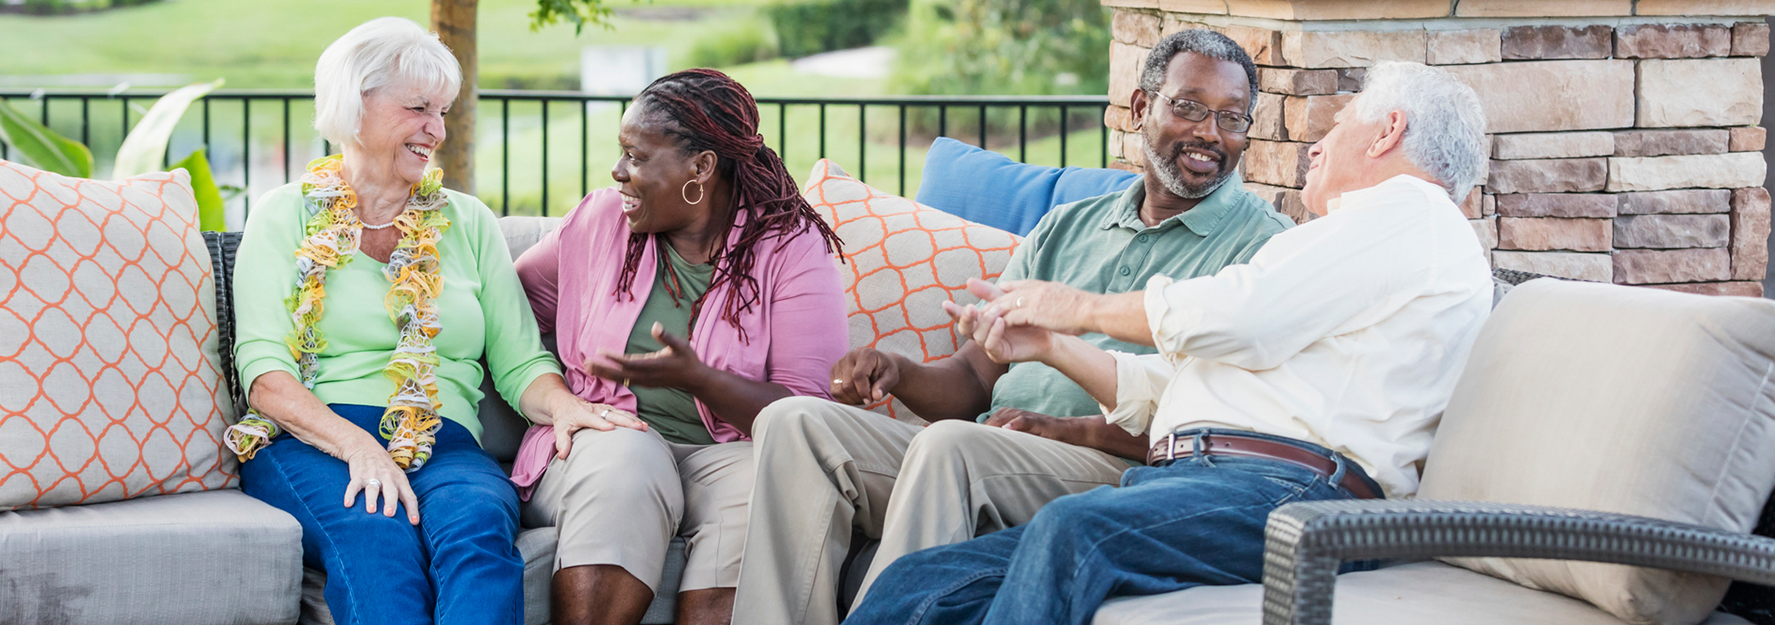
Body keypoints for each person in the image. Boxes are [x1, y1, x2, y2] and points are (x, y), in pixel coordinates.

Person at [849, 60, 1495, 625]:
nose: (1315, 146)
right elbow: (1183, 378)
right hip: (1215, 479)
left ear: (1388, 131)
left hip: (1298, 495)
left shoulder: (1413, 213)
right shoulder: (1352, 249)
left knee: (1075, 532)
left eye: (1340, 122)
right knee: (921, 582)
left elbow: (1243, 315)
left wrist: (1082, 308)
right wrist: (1050, 343)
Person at [732, 29, 1294, 625]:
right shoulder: (1066, 227)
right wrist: (897, 371)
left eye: (1232, 118)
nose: (1211, 132)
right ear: (1139, 108)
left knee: (954, 446)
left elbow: (1220, 426)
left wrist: (1073, 429)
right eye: (1189, 107)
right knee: (795, 422)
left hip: (1115, 475)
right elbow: (974, 377)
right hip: (988, 446)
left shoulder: (1264, 250)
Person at [226, 17, 638, 625]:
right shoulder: (284, 215)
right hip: (319, 438)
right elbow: (264, 373)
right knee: (376, 536)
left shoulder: (467, 222)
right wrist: (359, 446)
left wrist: (565, 406)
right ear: (355, 103)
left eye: (442, 111)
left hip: (446, 442)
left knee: (477, 536)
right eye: (419, 108)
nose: (436, 130)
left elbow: (520, 358)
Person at [511, 68, 848, 625]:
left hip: (725, 455)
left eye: (638, 158)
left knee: (767, 486)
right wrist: (553, 393)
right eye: (621, 153)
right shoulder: (600, 223)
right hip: (605, 438)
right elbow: (507, 313)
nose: (619, 172)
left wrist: (700, 380)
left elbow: (806, 413)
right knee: (629, 456)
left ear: (701, 167)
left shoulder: (789, 248)